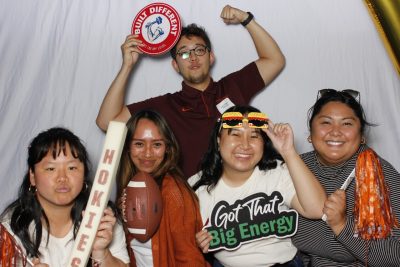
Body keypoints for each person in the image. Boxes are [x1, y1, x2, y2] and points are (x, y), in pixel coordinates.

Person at [96, 5, 285, 178]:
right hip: (193, 205)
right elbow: (107, 122)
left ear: (211, 57)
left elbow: (274, 60)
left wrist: (246, 19)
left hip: (241, 202)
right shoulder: (165, 106)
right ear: (175, 65)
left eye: (199, 50)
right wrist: (127, 66)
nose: (193, 58)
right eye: (184, 53)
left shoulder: (233, 87)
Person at [190, 105, 326, 267]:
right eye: (235, 134)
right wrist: (197, 241)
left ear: (264, 143)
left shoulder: (277, 172)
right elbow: (182, 241)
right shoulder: (196, 186)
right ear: (219, 140)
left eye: (254, 136)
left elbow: (318, 210)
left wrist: (288, 152)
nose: (245, 144)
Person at [292, 89, 400, 266]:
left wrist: (342, 225)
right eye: (326, 122)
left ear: (362, 135)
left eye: (347, 124)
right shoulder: (293, 168)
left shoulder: (381, 175)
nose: (335, 132)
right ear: (310, 133)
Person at [0, 127, 129, 266]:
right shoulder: (12, 227)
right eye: (51, 168)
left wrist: (101, 252)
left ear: (84, 173)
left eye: (72, 168)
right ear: (32, 176)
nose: (62, 178)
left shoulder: (103, 217)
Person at [116, 109, 209, 266]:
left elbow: (189, 257)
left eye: (157, 144)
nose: (147, 153)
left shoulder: (174, 192)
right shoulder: (129, 186)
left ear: (167, 148)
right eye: (139, 144)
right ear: (127, 147)